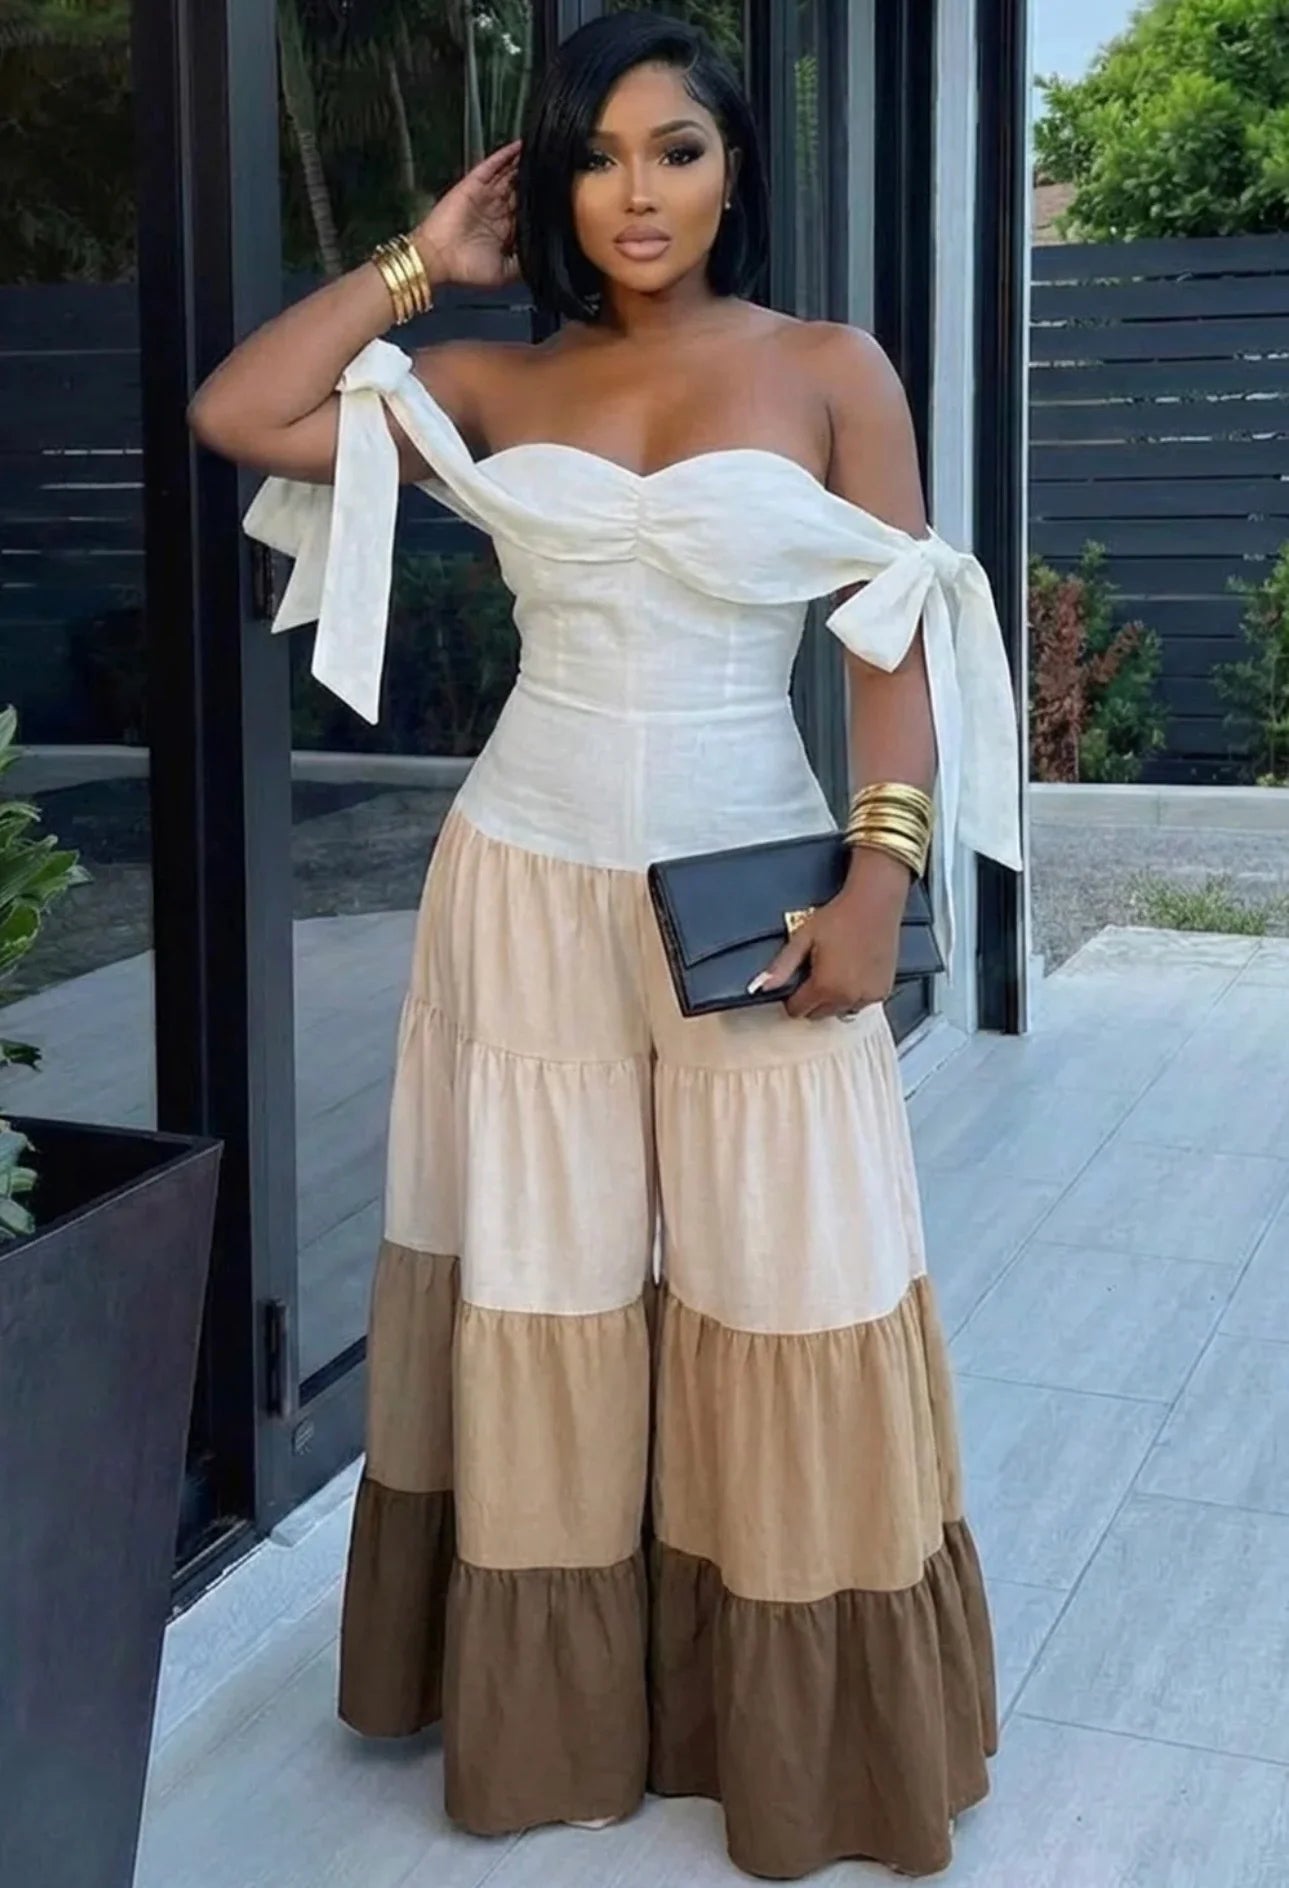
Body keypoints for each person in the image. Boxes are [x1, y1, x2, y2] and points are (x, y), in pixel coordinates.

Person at [189, 11, 1019, 1879]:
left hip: (753, 886)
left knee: (790, 1276)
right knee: (544, 1283)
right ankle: (553, 1718)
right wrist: (420, 262)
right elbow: (240, 413)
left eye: (676, 150)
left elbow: (891, 639)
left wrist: (879, 883)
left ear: (734, 171)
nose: (635, 193)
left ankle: (801, 1736)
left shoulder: (829, 369)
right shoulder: (490, 379)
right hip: (525, 873)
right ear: (548, 185)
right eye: (594, 156)